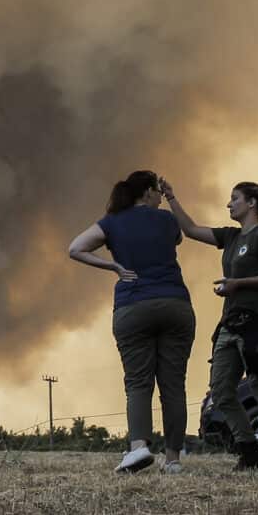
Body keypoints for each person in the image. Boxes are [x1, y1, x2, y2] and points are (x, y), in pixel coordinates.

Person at [67, 170, 195, 474]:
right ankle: (174, 460)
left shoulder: (112, 221)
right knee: (173, 385)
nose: (161, 198)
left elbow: (75, 249)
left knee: (138, 383)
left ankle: (139, 448)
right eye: (159, 193)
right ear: (149, 192)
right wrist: (172, 198)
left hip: (133, 305)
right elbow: (179, 235)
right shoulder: (166, 219)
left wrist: (112, 265)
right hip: (176, 304)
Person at [165, 178, 258, 470]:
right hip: (229, 324)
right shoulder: (231, 237)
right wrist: (171, 199)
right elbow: (191, 230)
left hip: (257, 325)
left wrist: (238, 283)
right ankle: (249, 452)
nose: (228, 204)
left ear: (251, 203)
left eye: (234, 198)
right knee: (221, 392)